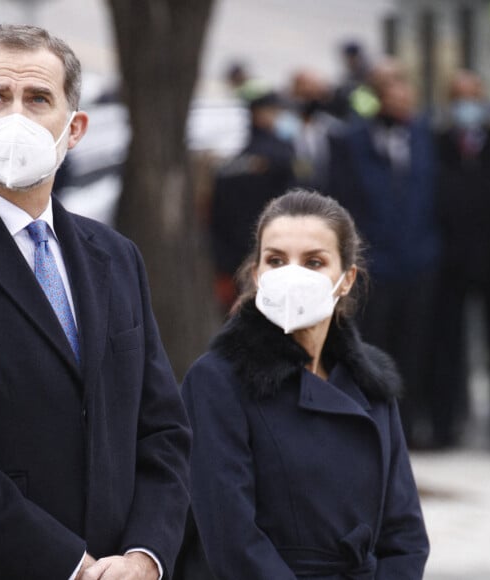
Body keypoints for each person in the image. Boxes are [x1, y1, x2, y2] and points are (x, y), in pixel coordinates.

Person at [0, 24, 191, 579]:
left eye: (37, 99)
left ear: (73, 128)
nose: (15, 116)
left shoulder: (115, 257)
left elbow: (163, 431)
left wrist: (145, 556)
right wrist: (70, 564)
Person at [183, 189, 429, 579]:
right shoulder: (218, 380)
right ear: (257, 274)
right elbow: (231, 539)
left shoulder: (371, 383)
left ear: (346, 279)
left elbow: (405, 533)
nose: (292, 275)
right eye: (276, 261)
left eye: (314, 262)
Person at [330, 56, 441, 448]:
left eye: (403, 88)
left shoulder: (424, 137)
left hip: (418, 263)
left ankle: (407, 431)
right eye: (389, 89)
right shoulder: (351, 141)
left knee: (414, 349)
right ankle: (371, 428)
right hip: (374, 265)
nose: (399, 97)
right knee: (371, 348)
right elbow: (341, 199)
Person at [432, 69, 490, 448]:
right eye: (459, 97)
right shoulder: (436, 143)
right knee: (447, 346)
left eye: (472, 96)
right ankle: (446, 423)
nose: (467, 105)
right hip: (450, 259)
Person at [209, 90, 295, 312]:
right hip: (273, 252)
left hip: (239, 256)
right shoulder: (280, 155)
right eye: (274, 112)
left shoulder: (234, 159)